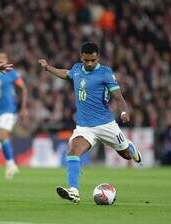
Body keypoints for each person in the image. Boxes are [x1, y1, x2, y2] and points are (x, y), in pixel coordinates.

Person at [38, 42, 141, 203]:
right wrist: (47, 67)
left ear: (98, 57)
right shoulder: (77, 69)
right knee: (72, 152)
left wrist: (123, 111)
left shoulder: (106, 73)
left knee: (126, 155)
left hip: (106, 124)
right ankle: (74, 191)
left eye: (93, 60)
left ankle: (131, 147)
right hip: (84, 127)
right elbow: (65, 73)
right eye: (86, 60)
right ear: (81, 58)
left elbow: (118, 97)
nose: (90, 63)